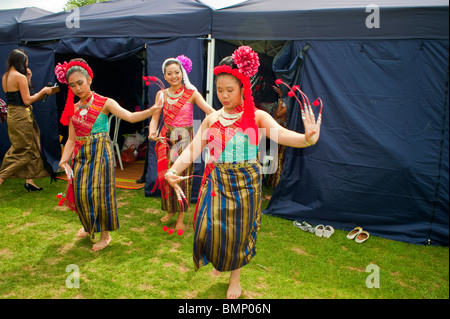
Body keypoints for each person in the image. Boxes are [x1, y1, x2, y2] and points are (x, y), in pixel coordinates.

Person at [165, 46, 323, 299]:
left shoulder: (256, 117)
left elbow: (281, 135)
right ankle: (220, 259)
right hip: (216, 182)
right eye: (219, 90)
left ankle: (235, 277)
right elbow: (194, 149)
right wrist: (173, 169)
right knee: (208, 228)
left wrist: (306, 139)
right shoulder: (211, 119)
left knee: (237, 233)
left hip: (245, 183)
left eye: (230, 90)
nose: (224, 96)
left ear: (243, 89)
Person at [57, 58, 162, 251]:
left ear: (89, 79)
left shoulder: (105, 102)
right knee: (81, 194)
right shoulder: (74, 108)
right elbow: (71, 139)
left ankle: (105, 236)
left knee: (99, 194)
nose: (77, 88)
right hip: (81, 155)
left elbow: (129, 116)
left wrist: (151, 111)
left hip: (100, 152)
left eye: (80, 83)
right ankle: (89, 226)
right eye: (72, 85)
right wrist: (64, 160)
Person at [148, 55, 214, 232]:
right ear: (165, 75)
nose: (173, 76)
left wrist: (221, 124)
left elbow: (209, 111)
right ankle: (170, 210)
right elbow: (155, 118)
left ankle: (181, 216)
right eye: (169, 73)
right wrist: (151, 133)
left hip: (185, 139)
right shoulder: (161, 94)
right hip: (166, 139)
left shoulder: (192, 93)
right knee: (164, 177)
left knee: (181, 178)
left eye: (177, 72)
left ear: (182, 73)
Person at [0, 49, 54, 190]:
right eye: (26, 62)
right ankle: (1, 177)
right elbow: (27, 100)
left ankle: (29, 181)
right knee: (23, 149)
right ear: (21, 62)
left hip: (12, 113)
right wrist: (43, 92)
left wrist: (28, 79)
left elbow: (18, 95)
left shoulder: (6, 76)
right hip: (21, 115)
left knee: (30, 144)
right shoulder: (19, 76)